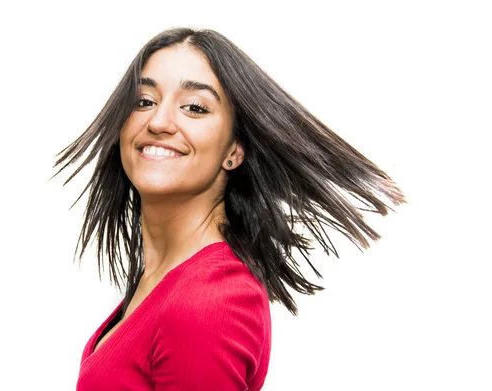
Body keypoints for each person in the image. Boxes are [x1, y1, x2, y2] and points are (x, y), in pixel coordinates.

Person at [53, 27, 405, 390]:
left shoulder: (209, 300)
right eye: (144, 101)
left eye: (194, 107)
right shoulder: (164, 282)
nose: (157, 122)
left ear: (234, 151)